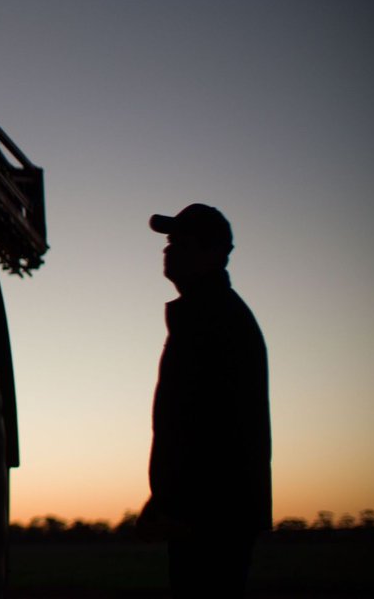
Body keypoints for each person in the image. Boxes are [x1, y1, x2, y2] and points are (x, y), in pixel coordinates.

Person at [137, 204, 272, 597]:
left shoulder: (214, 319)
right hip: (208, 512)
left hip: (212, 516)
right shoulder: (207, 314)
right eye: (169, 241)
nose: (169, 249)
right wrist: (164, 498)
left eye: (181, 242)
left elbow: (210, 426)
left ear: (216, 254)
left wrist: (176, 503)